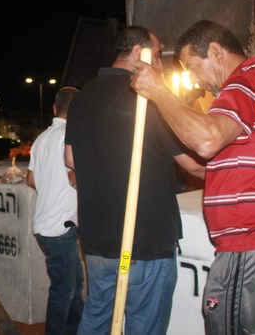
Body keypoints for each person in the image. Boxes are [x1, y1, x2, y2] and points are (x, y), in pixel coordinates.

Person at [131, 19, 255, 334]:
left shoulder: (242, 84)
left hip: (252, 252)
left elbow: (207, 140)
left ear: (216, 52)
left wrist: (160, 92)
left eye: (192, 67)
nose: (195, 80)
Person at [64, 26, 206, 335]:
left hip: (98, 241)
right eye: (156, 56)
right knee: (145, 324)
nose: (158, 65)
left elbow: (70, 159)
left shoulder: (81, 98)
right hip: (145, 240)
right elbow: (194, 165)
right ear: (136, 53)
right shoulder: (147, 99)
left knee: (98, 315)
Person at [26, 86, 83, 335]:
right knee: (64, 291)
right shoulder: (71, 137)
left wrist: (52, 187)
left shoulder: (42, 138)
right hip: (61, 228)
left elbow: (30, 179)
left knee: (74, 285)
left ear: (54, 108)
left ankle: (77, 330)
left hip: (47, 226)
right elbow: (77, 178)